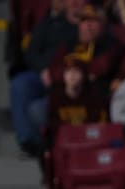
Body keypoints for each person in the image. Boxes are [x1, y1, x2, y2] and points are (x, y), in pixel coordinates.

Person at [8, 0, 79, 156]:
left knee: (39, 108)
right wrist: (43, 70)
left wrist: (56, 73)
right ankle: (28, 140)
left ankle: (51, 140)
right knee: (20, 84)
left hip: (67, 74)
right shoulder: (49, 22)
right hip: (43, 72)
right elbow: (31, 52)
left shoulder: (83, 24)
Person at [45, 56, 108, 143]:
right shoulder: (56, 97)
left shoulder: (93, 96)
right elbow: (52, 125)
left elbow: (99, 124)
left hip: (88, 140)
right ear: (63, 75)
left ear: (84, 75)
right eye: (68, 71)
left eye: (76, 72)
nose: (72, 75)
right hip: (64, 141)